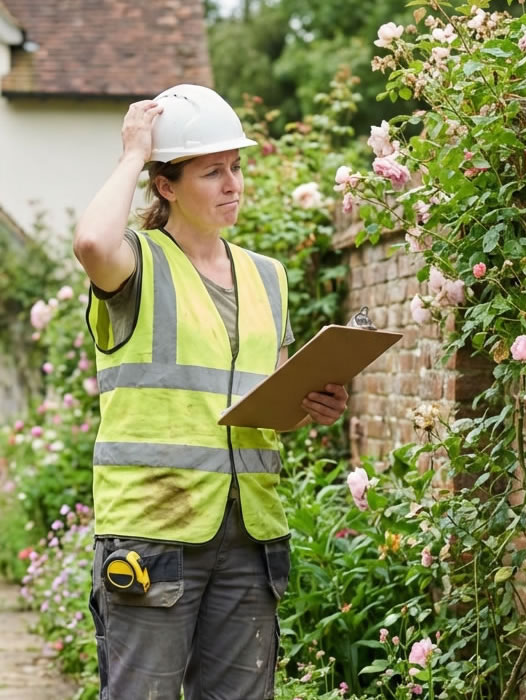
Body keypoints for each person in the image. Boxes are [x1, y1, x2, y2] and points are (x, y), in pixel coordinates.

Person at [72, 84, 349, 700]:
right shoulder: (134, 264)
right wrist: (132, 154)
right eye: (211, 172)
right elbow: (91, 242)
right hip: (154, 532)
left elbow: (273, 403)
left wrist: (312, 407)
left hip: (248, 536)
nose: (233, 185)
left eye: (236, 168)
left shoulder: (267, 276)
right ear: (166, 185)